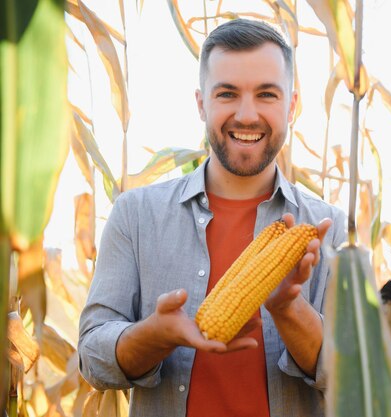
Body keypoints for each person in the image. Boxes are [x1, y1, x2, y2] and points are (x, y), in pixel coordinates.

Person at [78, 19, 346, 417]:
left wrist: (289, 310)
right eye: (228, 94)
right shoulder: (135, 216)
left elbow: (351, 375)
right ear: (202, 103)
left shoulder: (330, 227)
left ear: (291, 105)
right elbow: (92, 358)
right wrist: (152, 336)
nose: (247, 114)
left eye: (267, 95)